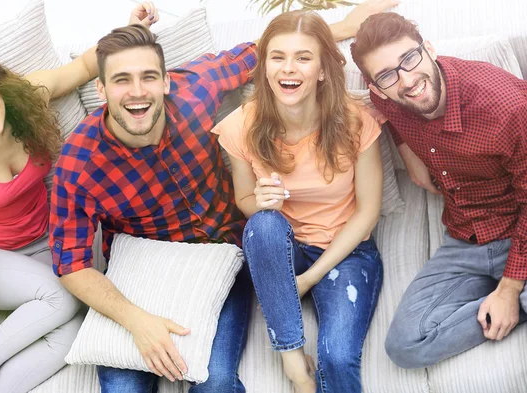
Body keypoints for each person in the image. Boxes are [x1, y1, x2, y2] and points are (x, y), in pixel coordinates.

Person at [48, 2, 397, 392]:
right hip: (142, 274)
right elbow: (71, 265)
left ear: (166, 80)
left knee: (216, 384)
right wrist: (138, 321)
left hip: (219, 260)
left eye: (148, 77)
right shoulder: (78, 162)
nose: (137, 92)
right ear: (100, 88)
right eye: (121, 80)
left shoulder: (196, 89)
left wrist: (344, 25)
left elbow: (262, 52)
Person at [0, 4, 159, 393]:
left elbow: (88, 65)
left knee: (76, 326)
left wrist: (131, 29)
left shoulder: (28, 101)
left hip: (43, 241)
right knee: (59, 297)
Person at [212, 9, 384, 393]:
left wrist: (308, 279)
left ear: (322, 69)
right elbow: (244, 201)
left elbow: (368, 211)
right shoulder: (242, 124)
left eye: (303, 57)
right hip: (279, 246)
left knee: (338, 358)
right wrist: (261, 201)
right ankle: (297, 372)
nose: (289, 69)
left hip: (345, 249)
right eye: (278, 57)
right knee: (263, 223)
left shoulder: (355, 122)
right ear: (265, 67)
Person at [350, 12, 527, 368]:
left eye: (409, 59)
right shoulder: (388, 97)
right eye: (387, 75)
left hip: (519, 233)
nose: (407, 79)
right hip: (465, 238)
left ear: (428, 48)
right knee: (404, 346)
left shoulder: (508, 108)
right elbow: (390, 113)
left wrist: (509, 290)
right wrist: (411, 157)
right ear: (376, 86)